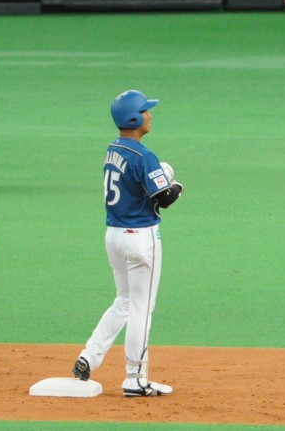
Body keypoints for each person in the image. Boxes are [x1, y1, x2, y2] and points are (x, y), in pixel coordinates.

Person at [72, 90, 184, 397]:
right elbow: (165, 199)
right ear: (134, 118)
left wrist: (159, 178)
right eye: (146, 111)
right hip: (140, 238)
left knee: (124, 301)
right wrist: (175, 185)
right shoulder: (144, 156)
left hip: (114, 236)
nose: (150, 114)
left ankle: (89, 357)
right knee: (141, 309)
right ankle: (135, 378)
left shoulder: (113, 149)